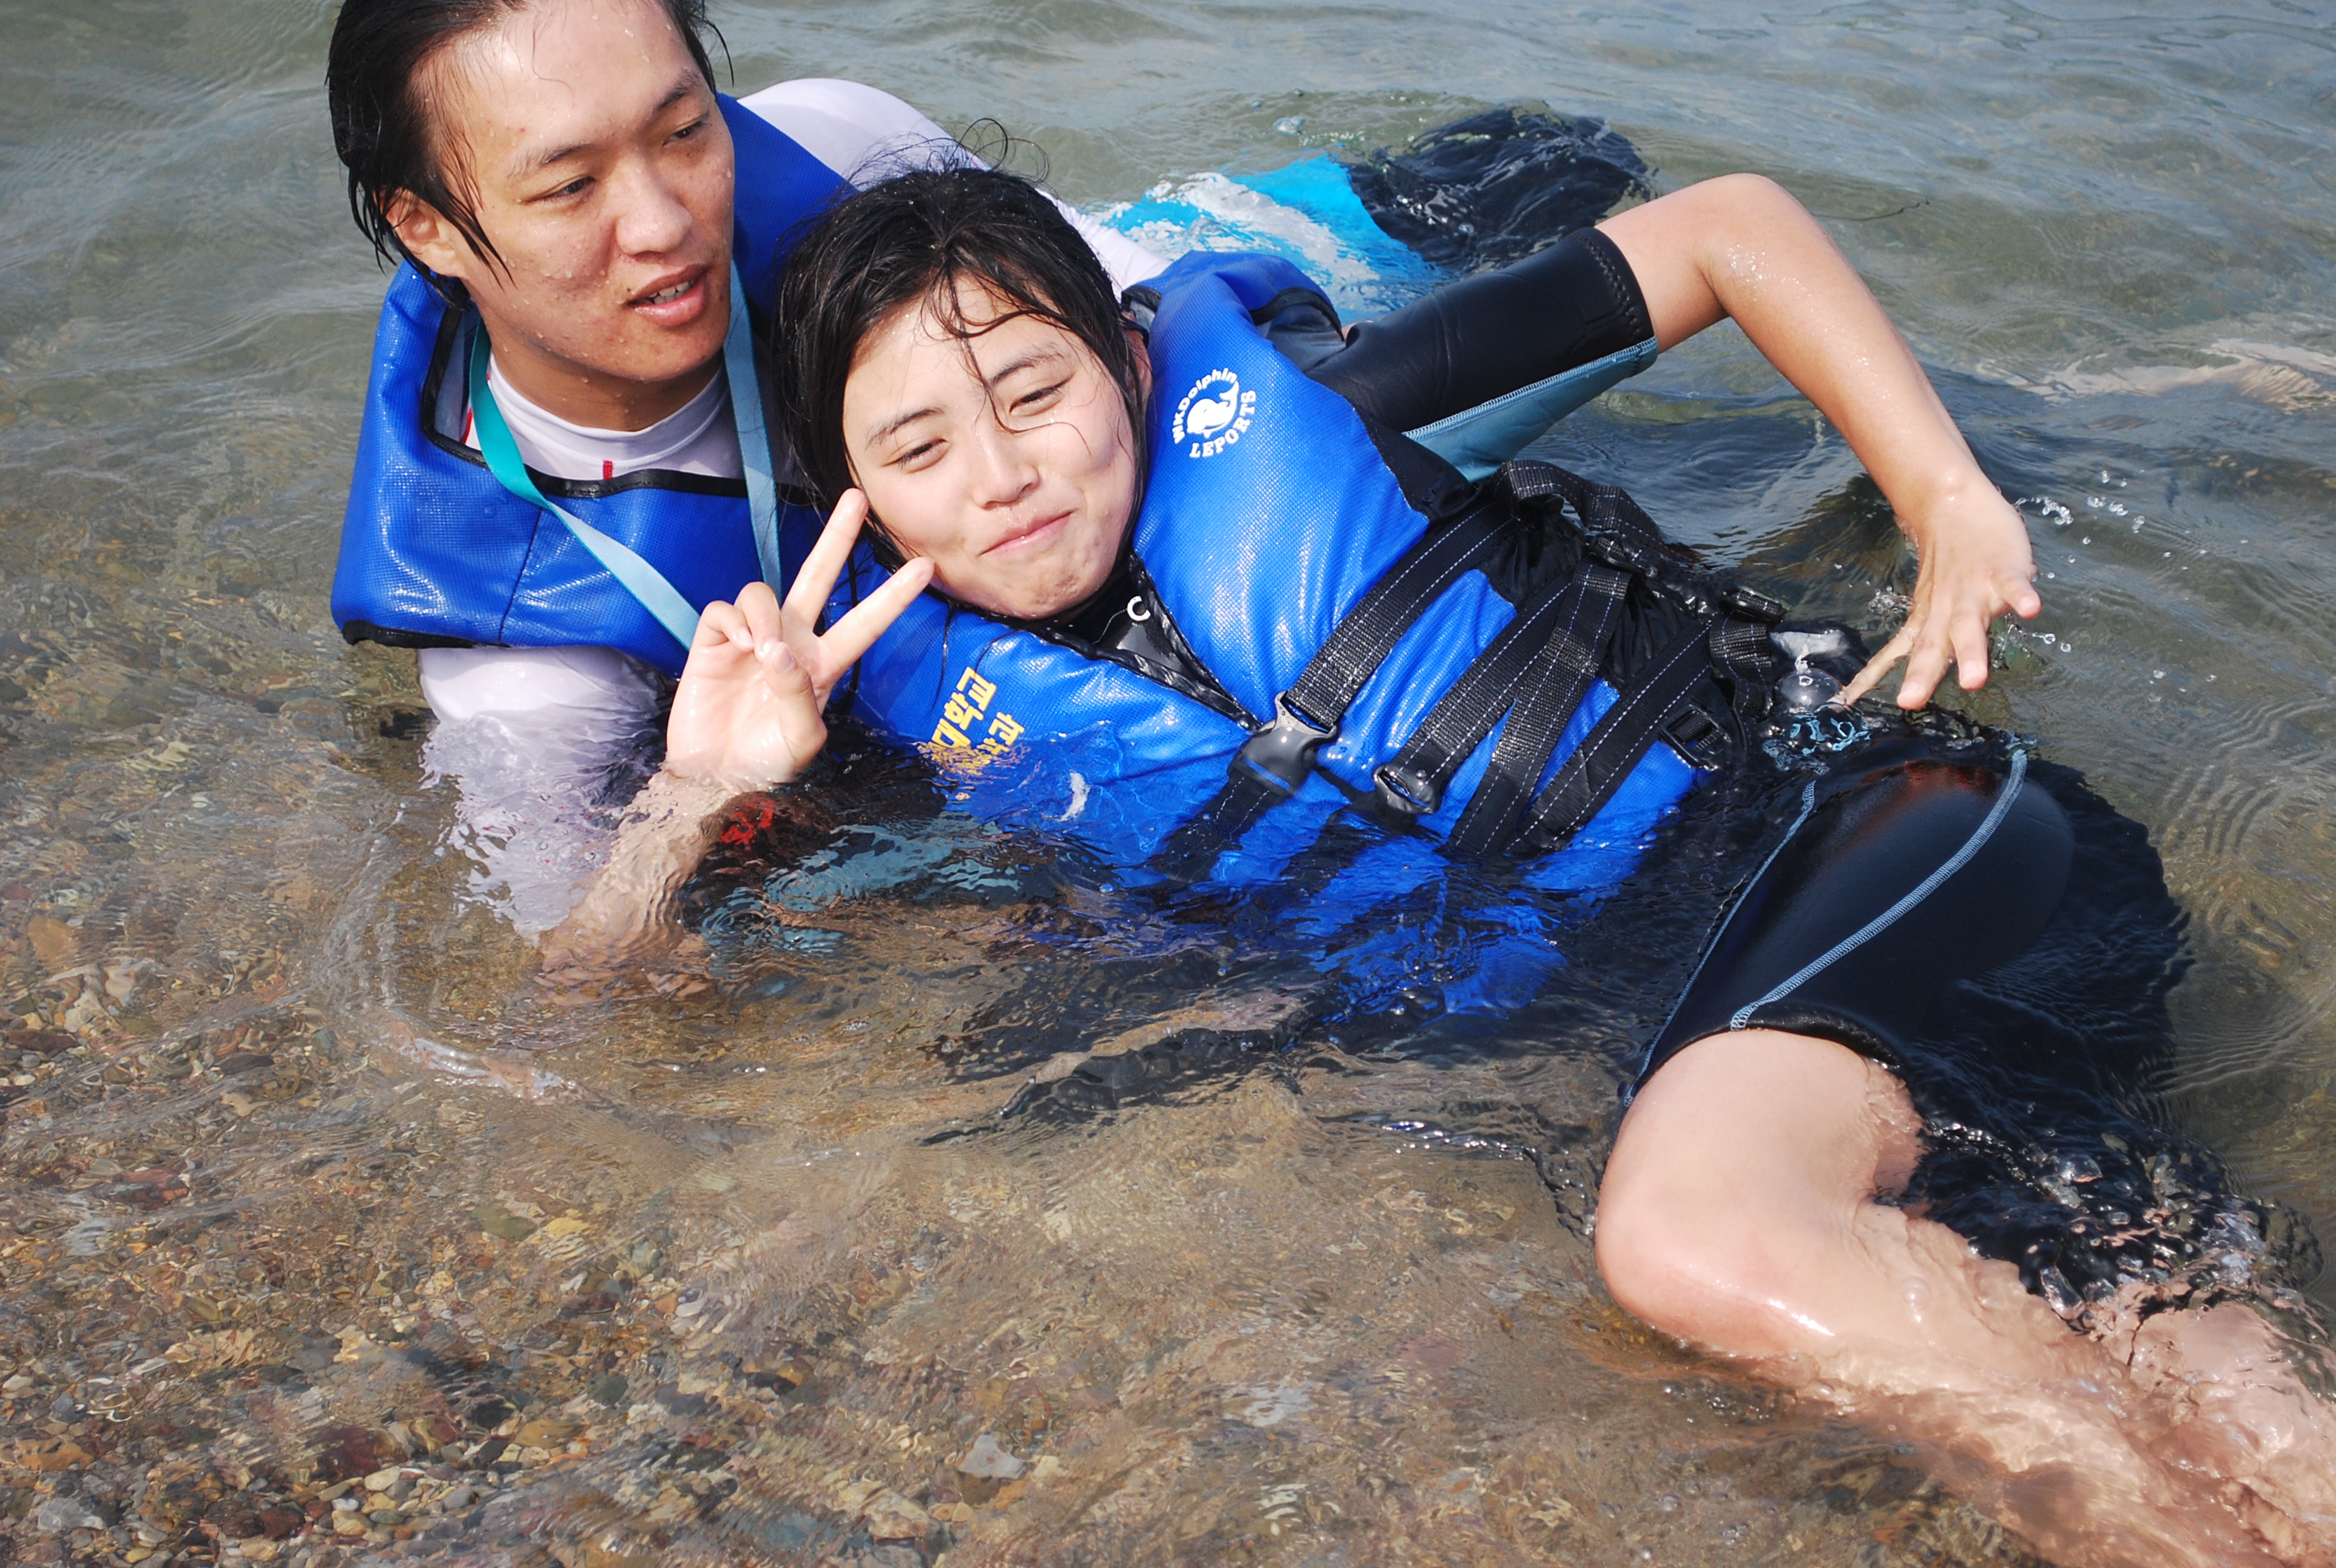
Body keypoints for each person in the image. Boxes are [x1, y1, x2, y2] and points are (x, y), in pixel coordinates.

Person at [600, 166, 2336, 1565]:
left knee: (1685, 1231)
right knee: (2191, 1363)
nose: (1001, 478)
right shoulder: (917, 727)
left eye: (1035, 393)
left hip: (1898, 839)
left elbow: (1725, 228)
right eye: (917, 451)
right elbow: (602, 1016)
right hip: (1752, 1042)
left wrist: (1944, 494)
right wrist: (697, 791)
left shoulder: (1341, 414)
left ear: (1126, 361)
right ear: (852, 498)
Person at [321, 0, 1164, 931]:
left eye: (684, 130)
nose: (663, 222)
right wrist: (698, 793)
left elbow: (1164, 310)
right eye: (570, 186)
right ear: (426, 226)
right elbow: (577, 989)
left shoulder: (841, 149)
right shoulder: (525, 667)